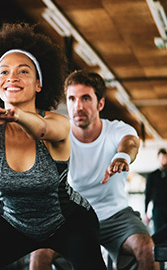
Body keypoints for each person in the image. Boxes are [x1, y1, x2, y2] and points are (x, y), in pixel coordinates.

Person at [0, 23, 106, 270]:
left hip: (69, 221)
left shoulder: (57, 122)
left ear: (39, 83)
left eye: (23, 71)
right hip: (11, 220)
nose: (11, 78)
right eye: (3, 72)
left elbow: (41, 130)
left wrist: (17, 115)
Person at [30, 70, 158, 270]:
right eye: (72, 98)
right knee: (39, 254)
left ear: (100, 104)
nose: (77, 106)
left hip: (116, 215)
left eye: (86, 98)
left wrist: (122, 156)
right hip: (72, 215)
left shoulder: (116, 130)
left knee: (147, 248)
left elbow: (130, 142)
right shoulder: (60, 133)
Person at [145, 148, 167, 234]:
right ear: (158, 159)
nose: (163, 160)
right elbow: (147, 194)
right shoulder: (152, 176)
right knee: (158, 234)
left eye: (165, 158)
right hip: (158, 209)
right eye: (161, 158)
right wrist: (145, 212)